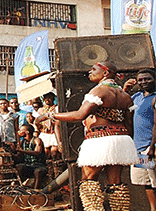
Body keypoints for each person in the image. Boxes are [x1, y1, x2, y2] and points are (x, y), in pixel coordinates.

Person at [39, 62, 139, 211]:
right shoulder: (125, 95)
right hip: (122, 139)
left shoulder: (98, 91)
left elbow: (80, 115)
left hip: (100, 139)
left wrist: (50, 115)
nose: (89, 73)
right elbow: (129, 124)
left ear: (105, 73)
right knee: (116, 183)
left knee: (89, 181)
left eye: (93, 69)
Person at [123, 69, 156, 211]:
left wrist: (152, 146)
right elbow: (124, 109)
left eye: (147, 79)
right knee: (147, 182)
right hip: (140, 147)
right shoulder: (137, 97)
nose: (144, 82)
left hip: (151, 146)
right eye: (141, 80)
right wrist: (125, 89)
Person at [13, 124, 47, 189]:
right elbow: (19, 157)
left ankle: (36, 191)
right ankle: (19, 188)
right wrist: (12, 152)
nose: (19, 132)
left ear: (27, 132)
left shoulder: (37, 140)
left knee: (38, 171)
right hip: (28, 165)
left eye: (21, 130)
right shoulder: (22, 142)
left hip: (39, 165)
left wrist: (21, 150)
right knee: (19, 167)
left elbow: (37, 153)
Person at [35, 92, 59, 159]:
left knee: (54, 152)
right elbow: (36, 121)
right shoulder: (41, 110)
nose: (47, 100)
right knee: (47, 153)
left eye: (49, 98)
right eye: (46, 98)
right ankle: (50, 167)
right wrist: (38, 126)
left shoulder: (56, 108)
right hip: (44, 133)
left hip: (54, 133)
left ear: (53, 98)